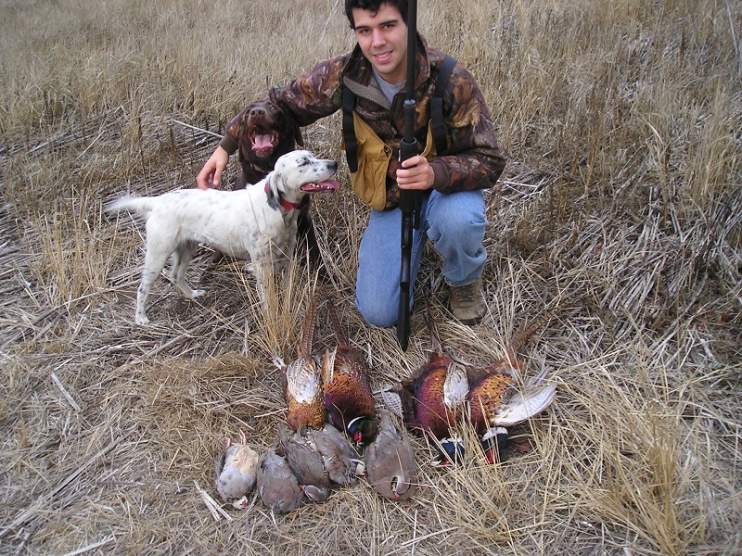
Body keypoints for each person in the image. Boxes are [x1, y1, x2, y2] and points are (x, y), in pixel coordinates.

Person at [197, 0, 506, 327]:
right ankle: (414, 247)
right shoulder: (345, 75)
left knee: (458, 221)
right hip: (392, 199)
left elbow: (489, 160)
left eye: (388, 26)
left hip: (447, 191)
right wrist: (225, 147)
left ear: (408, 24)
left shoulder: (450, 78)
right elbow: (277, 103)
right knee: (379, 313)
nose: (377, 42)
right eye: (364, 30)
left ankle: (463, 280)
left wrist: (435, 172)